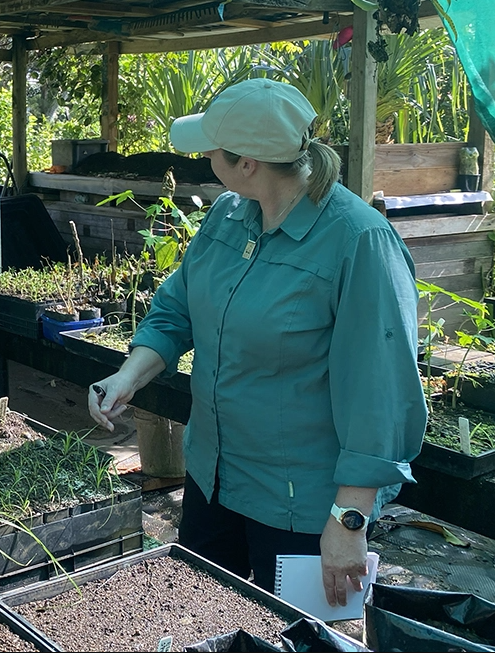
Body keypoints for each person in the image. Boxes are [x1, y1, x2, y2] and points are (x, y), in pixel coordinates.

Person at [88, 79, 427, 608]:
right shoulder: (228, 215)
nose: (202, 154)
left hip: (302, 506)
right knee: (200, 621)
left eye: (211, 146)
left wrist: (348, 520)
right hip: (214, 476)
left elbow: (381, 396)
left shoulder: (358, 241)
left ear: (247, 162)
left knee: (301, 637)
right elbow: (178, 308)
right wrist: (128, 375)